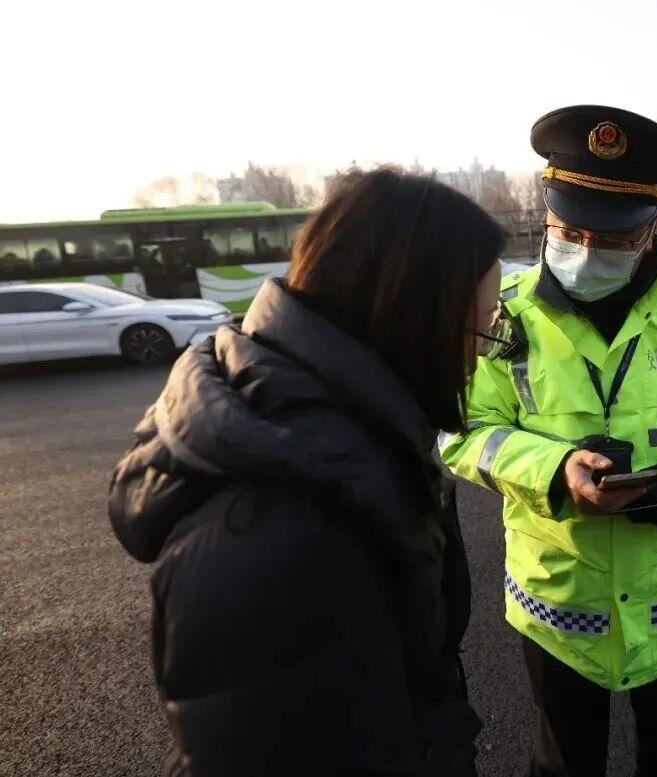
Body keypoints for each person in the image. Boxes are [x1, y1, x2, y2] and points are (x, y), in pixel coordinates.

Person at [108, 168, 505, 776]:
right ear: (410, 316)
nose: (484, 349)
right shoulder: (285, 530)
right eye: (480, 325)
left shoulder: (337, 438)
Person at [440, 105, 657, 776]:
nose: (587, 249)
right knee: (564, 756)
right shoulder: (502, 309)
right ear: (547, 214)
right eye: (569, 230)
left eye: (614, 237)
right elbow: (459, 429)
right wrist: (553, 468)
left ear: (655, 226)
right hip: (560, 603)